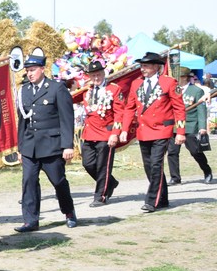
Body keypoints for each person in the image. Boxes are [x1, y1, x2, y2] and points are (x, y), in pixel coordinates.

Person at [13, 48, 77, 232]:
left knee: (58, 181)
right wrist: (20, 147)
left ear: (42, 69)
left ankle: (69, 211)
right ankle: (30, 220)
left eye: (33, 69)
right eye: (27, 70)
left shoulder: (56, 88)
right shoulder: (24, 90)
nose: (29, 73)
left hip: (51, 145)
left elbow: (66, 119)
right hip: (30, 146)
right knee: (29, 182)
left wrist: (67, 145)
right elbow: (22, 121)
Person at [120, 52, 187, 211]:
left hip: (162, 129)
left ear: (156, 67)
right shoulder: (136, 84)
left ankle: (151, 201)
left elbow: (179, 108)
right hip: (143, 131)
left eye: (146, 66)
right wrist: (124, 129)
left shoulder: (169, 82)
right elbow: (129, 108)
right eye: (142, 66)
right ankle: (162, 198)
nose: (143, 69)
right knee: (149, 166)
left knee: (156, 164)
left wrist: (181, 132)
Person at [80, 60, 126, 206]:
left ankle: (101, 195)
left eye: (98, 74)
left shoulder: (113, 90)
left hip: (106, 133)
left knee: (103, 166)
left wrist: (115, 133)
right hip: (89, 133)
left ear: (103, 73)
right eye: (93, 75)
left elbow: (120, 113)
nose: (96, 78)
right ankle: (110, 182)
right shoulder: (86, 90)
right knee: (87, 163)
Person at [167, 67, 212, 185]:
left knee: (195, 151)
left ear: (186, 77)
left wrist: (202, 127)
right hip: (175, 125)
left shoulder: (196, 91)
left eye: (180, 77)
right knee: (172, 152)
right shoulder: (173, 90)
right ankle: (175, 177)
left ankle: (207, 171)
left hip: (190, 125)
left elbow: (201, 109)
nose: (177, 79)